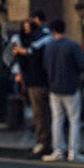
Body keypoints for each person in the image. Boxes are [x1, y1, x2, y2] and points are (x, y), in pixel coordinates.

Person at [41, 19, 84, 163]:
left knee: (57, 119)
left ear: (52, 31)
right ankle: (73, 152)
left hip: (54, 87)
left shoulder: (48, 47)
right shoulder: (72, 45)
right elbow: (83, 64)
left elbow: (45, 66)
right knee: (74, 120)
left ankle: (58, 151)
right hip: (71, 86)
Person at [13, 10, 53, 156]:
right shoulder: (31, 40)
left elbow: (33, 53)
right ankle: (44, 141)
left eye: (29, 25)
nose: (27, 29)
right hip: (34, 80)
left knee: (40, 113)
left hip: (38, 81)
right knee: (41, 113)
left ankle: (44, 142)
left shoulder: (41, 40)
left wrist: (23, 52)